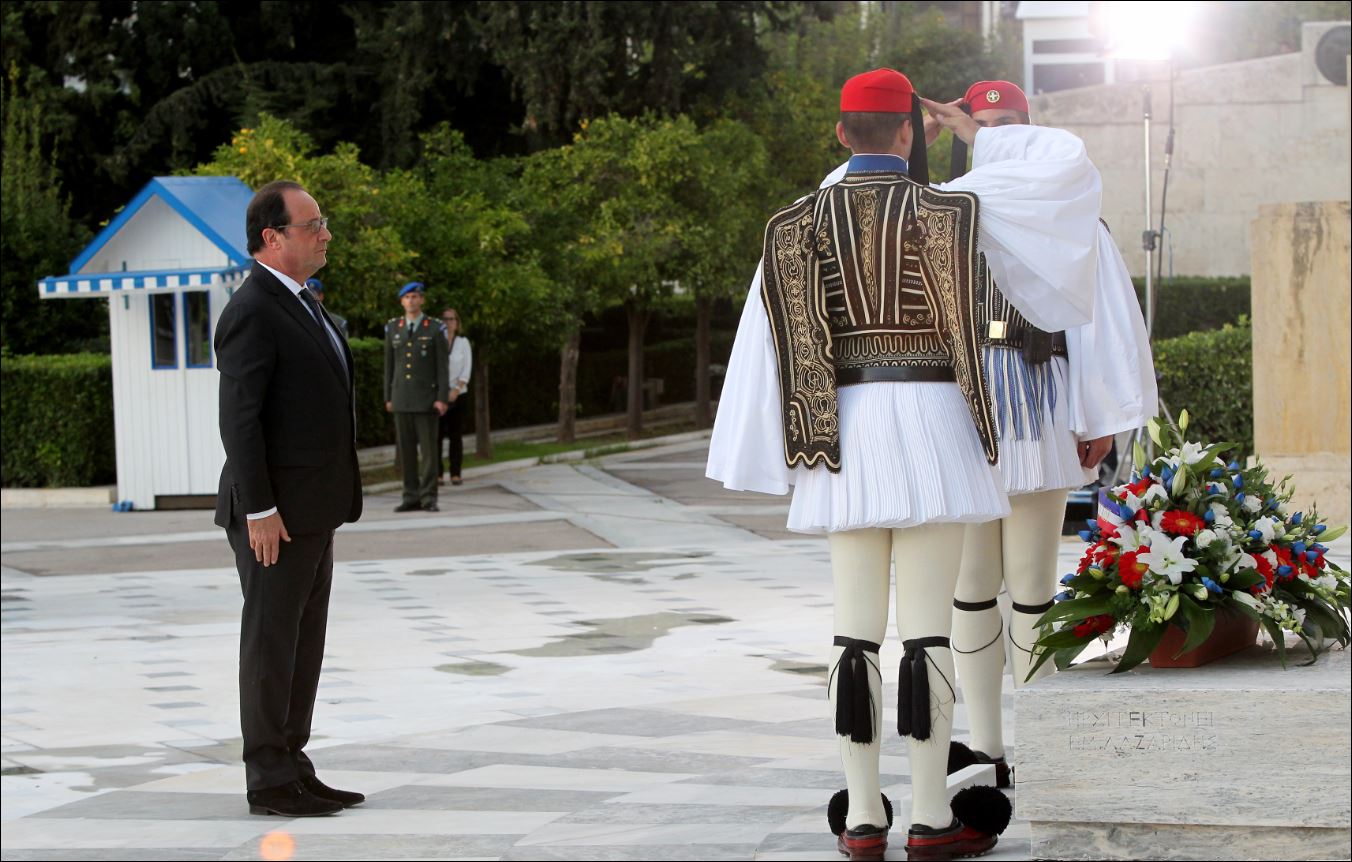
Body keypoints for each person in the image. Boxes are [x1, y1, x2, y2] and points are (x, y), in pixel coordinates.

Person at [708, 69, 1103, 861]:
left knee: (852, 633)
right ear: (907, 135)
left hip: (839, 435)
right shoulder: (956, 210)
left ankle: (860, 817)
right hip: (932, 427)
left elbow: (771, 349)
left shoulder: (792, 225)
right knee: (928, 634)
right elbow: (1066, 170)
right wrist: (980, 132)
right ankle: (929, 816)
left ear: (838, 133)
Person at [945, 80, 1157, 784]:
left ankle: (1039, 736)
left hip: (1038, 396)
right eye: (986, 123)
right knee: (973, 584)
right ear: (967, 130)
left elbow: (1098, 319)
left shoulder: (1071, 220)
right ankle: (987, 745)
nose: (996, 133)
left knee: (1032, 581)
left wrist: (1096, 416)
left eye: (1010, 124)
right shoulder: (947, 211)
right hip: (966, 403)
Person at [214, 180, 364, 817]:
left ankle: (292, 761)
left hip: (313, 510)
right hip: (273, 515)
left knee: (304, 641)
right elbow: (239, 420)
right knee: (271, 642)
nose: (325, 233)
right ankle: (268, 777)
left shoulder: (305, 304)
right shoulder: (252, 310)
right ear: (271, 239)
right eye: (313, 224)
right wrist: (260, 509)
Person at [384, 282, 449, 512]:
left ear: (421, 300)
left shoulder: (434, 328)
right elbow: (389, 367)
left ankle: (429, 497)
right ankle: (410, 496)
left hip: (426, 399)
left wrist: (442, 397)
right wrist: (388, 396)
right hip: (401, 398)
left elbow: (442, 366)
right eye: (407, 297)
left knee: (430, 453)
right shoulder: (393, 327)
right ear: (402, 301)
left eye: (415, 296)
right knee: (407, 452)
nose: (411, 301)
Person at [437, 308, 473, 486]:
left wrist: (456, 389)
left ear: (457, 322)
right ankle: (438, 474)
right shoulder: (437, 342)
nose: (448, 322)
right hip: (439, 395)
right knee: (436, 436)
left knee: (455, 436)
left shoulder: (463, 342)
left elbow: (467, 368)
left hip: (459, 394)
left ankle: (455, 473)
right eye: (445, 319)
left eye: (452, 319)